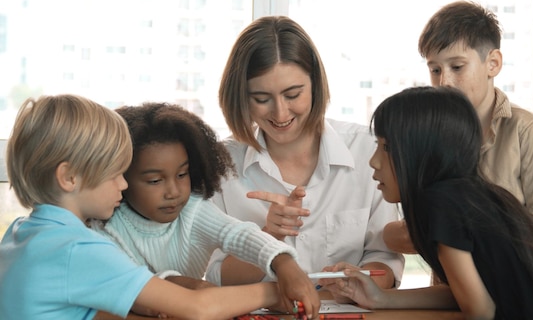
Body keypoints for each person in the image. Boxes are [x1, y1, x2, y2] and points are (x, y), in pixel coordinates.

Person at [0, 94, 319, 320]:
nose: (122, 186)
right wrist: (277, 293)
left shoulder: (22, 235)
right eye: (114, 175)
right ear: (69, 177)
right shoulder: (77, 248)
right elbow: (198, 309)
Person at [326, 86, 533, 319]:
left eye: (386, 147)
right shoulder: (465, 194)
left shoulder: (440, 204)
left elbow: (479, 312)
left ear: (420, 154)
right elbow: (468, 294)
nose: (373, 161)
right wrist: (381, 299)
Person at [205, 15, 404, 293]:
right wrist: (266, 238)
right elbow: (216, 277)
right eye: (261, 99)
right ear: (240, 97)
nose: (280, 113)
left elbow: (386, 258)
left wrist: (359, 282)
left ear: (315, 86)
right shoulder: (221, 166)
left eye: (293, 94)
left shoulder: (367, 151)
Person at [89, 102, 319, 315]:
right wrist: (186, 286)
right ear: (120, 177)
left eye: (182, 174)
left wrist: (283, 262)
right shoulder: (105, 228)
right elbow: (135, 290)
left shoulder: (192, 208)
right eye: (154, 181)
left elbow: (238, 233)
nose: (174, 191)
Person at [383, 0, 533, 254]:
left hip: (512, 288)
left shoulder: (530, 132)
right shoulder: (432, 137)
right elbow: (410, 230)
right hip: (449, 291)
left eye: (457, 67)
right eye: (435, 69)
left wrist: (478, 241)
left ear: (492, 63)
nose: (444, 81)